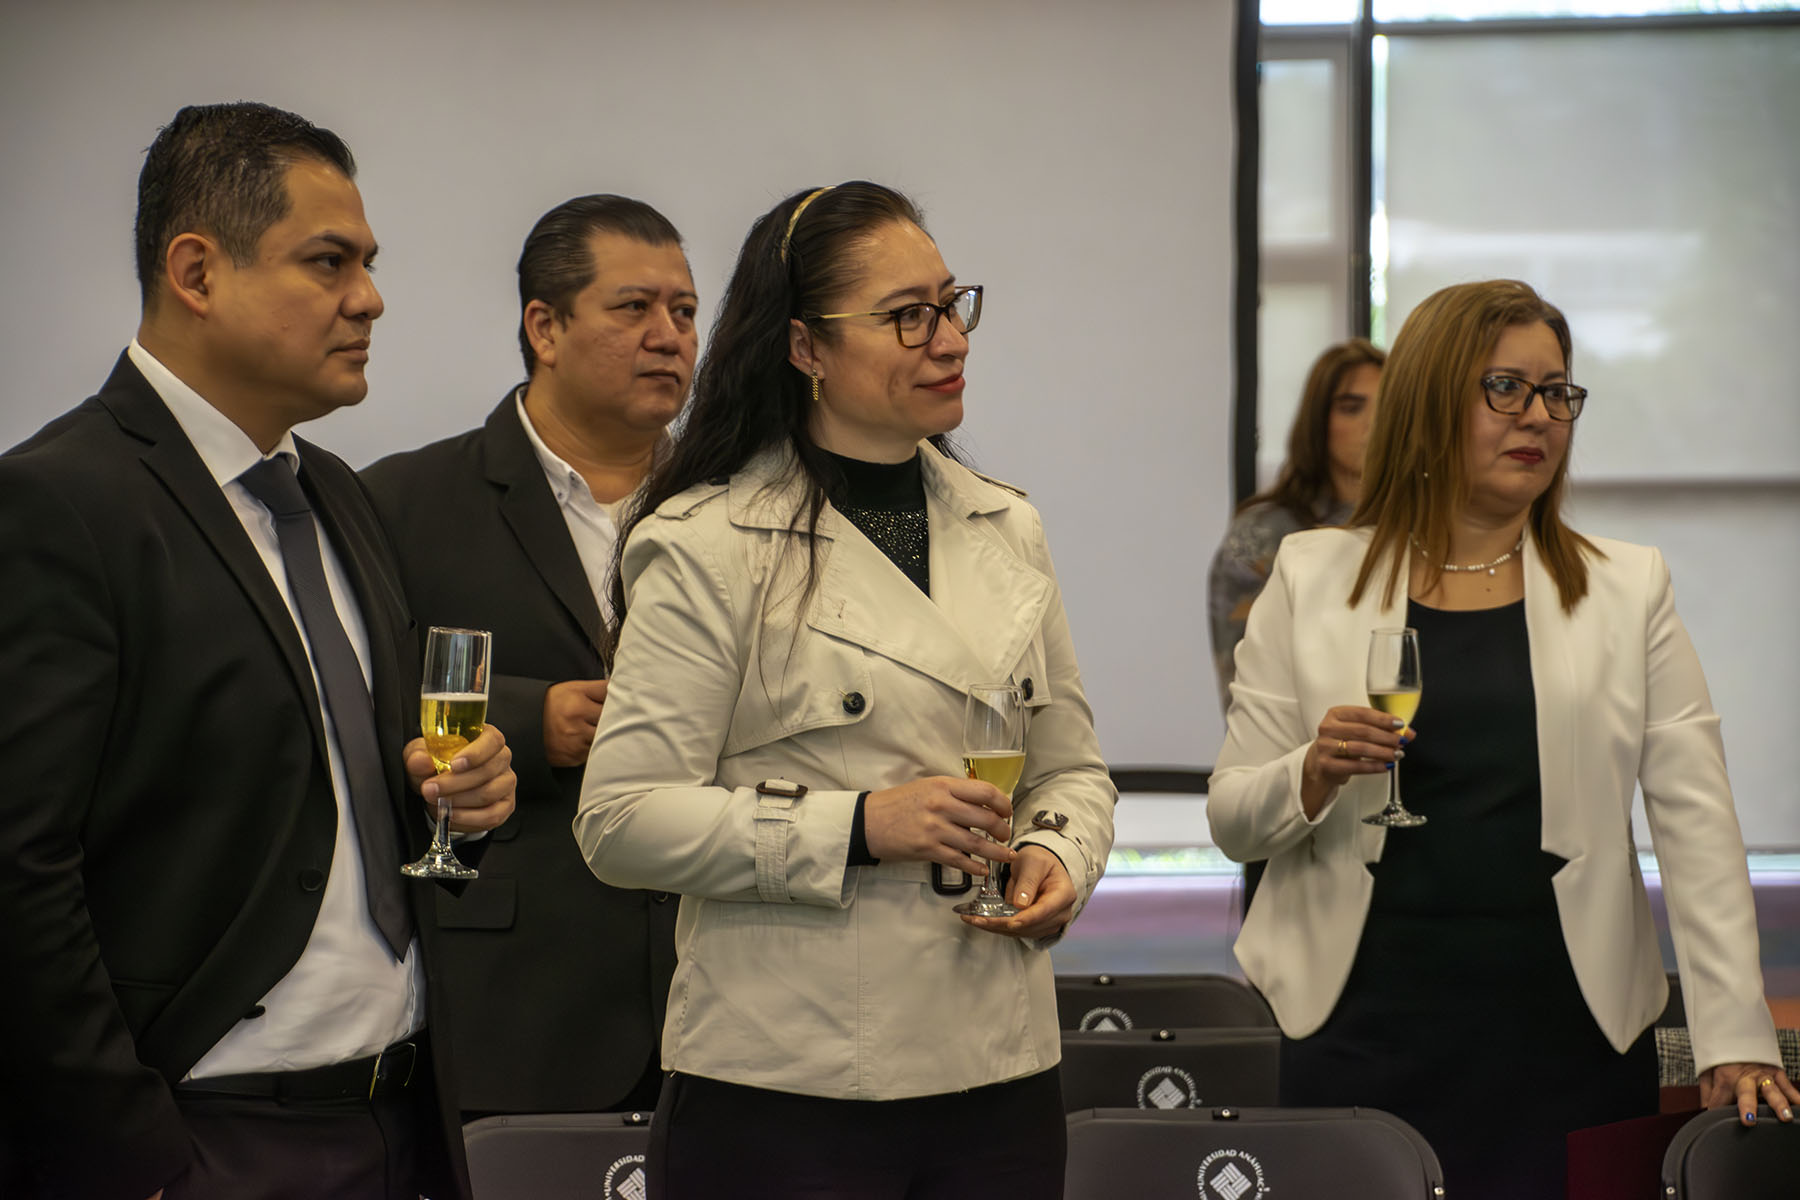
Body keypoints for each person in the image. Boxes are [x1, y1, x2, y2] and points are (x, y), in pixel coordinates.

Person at [0, 102, 517, 1200]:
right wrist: (131, 1158)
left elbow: (345, 795)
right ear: (196, 271)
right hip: (204, 1138)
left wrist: (455, 800)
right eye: (328, 261)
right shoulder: (58, 503)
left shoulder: (335, 495)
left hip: (404, 1123)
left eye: (369, 263)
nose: (370, 298)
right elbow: (18, 870)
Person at [573, 182, 1116, 1198]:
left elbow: (1073, 769)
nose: (948, 338)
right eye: (907, 316)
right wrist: (860, 826)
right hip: (787, 1082)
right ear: (806, 348)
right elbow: (621, 820)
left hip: (999, 1067)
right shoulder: (706, 544)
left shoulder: (1006, 526)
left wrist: (1055, 853)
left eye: (952, 304)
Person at [1207, 279, 1796, 1199]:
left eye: (1558, 391)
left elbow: (1697, 821)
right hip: (1358, 1023)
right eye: (1506, 389)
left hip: (1566, 1024)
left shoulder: (1627, 586)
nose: (1541, 416)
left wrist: (1732, 1030)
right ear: (1433, 401)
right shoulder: (1311, 575)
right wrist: (1311, 773)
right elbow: (1235, 819)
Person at [362, 195, 694, 1116]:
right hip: (520, 1000)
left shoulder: (739, 506)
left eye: (686, 311)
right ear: (543, 328)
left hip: (727, 993)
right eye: (634, 308)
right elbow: (355, 705)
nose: (669, 336)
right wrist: (525, 721)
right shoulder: (399, 501)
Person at [1208, 337, 1384, 710]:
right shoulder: (1263, 535)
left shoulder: (1432, 524)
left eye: (1389, 408)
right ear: (1318, 422)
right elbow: (1243, 687)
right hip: (1300, 749)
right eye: (1351, 408)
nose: (1373, 424)